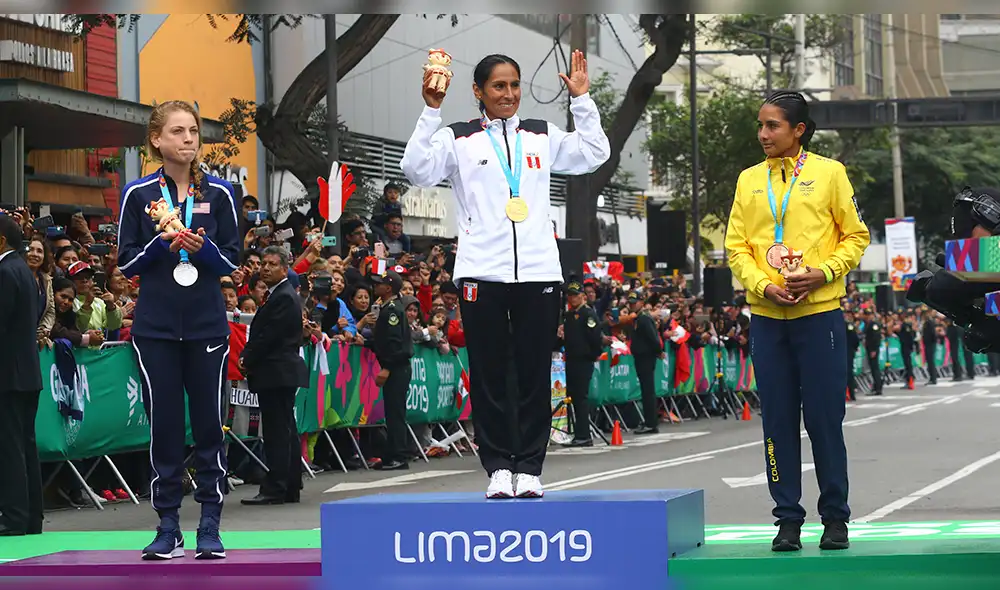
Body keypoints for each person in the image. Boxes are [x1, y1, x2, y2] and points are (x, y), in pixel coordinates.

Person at [400, 50, 610, 498]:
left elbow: (593, 153)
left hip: (538, 274)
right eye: (498, 86)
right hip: (482, 275)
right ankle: (497, 467)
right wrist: (430, 110)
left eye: (514, 85)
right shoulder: (459, 137)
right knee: (490, 375)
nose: (509, 94)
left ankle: (530, 468)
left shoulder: (541, 134)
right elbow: (416, 170)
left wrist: (581, 101)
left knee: (534, 375)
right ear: (478, 91)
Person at [724, 91, 870, 552]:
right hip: (768, 318)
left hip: (819, 317)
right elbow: (736, 247)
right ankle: (787, 520)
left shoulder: (830, 173)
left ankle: (835, 519)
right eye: (761, 125)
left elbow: (856, 235)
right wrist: (761, 286)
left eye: (772, 126)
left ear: (798, 130)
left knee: (825, 420)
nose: (763, 134)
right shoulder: (749, 179)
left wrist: (823, 273)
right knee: (777, 422)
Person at [117, 100, 241, 560]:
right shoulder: (137, 194)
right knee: (165, 427)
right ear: (156, 139)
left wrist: (201, 249)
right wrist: (161, 244)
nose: (188, 139)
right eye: (177, 131)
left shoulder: (221, 193)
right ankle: (168, 524)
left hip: (207, 325)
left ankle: (210, 523)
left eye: (192, 131)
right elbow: (126, 262)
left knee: (209, 424)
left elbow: (232, 261)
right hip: (156, 329)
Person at [239, 247, 309, 505]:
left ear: (285, 269)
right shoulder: (278, 295)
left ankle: (276, 487)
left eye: (272, 264)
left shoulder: (283, 296)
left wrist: (247, 357)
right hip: (277, 371)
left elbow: (269, 336)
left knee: (277, 431)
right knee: (285, 429)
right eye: (263, 264)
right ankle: (289, 484)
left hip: (277, 370)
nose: (265, 268)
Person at [0, 213, 43, 536]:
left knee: (10, 447)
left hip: (8, 374)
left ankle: (14, 517)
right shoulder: (24, 271)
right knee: (26, 445)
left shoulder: (5, 271)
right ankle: (31, 517)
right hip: (27, 372)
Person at [370, 269, 412, 470]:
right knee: (392, 412)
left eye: (379, 284)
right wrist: (366, 343)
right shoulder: (388, 307)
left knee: (395, 414)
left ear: (388, 288)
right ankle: (390, 455)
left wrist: (387, 367)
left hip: (397, 367)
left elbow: (394, 343)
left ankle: (399, 456)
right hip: (397, 366)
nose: (375, 286)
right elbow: (384, 340)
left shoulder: (392, 310)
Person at [557, 278, 605, 447]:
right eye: (570, 296)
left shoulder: (588, 314)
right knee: (574, 397)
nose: (572, 298)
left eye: (575, 295)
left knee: (581, 397)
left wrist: (593, 355)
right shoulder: (569, 316)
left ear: (582, 296)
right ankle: (578, 432)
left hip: (583, 360)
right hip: (571, 360)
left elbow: (595, 338)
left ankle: (584, 434)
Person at [628, 291, 664, 434]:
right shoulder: (638, 318)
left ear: (641, 303)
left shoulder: (644, 318)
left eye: (634, 302)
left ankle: (651, 422)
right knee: (645, 390)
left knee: (648, 390)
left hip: (646, 357)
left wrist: (658, 351)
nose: (632, 305)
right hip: (641, 356)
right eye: (630, 303)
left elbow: (653, 337)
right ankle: (649, 421)